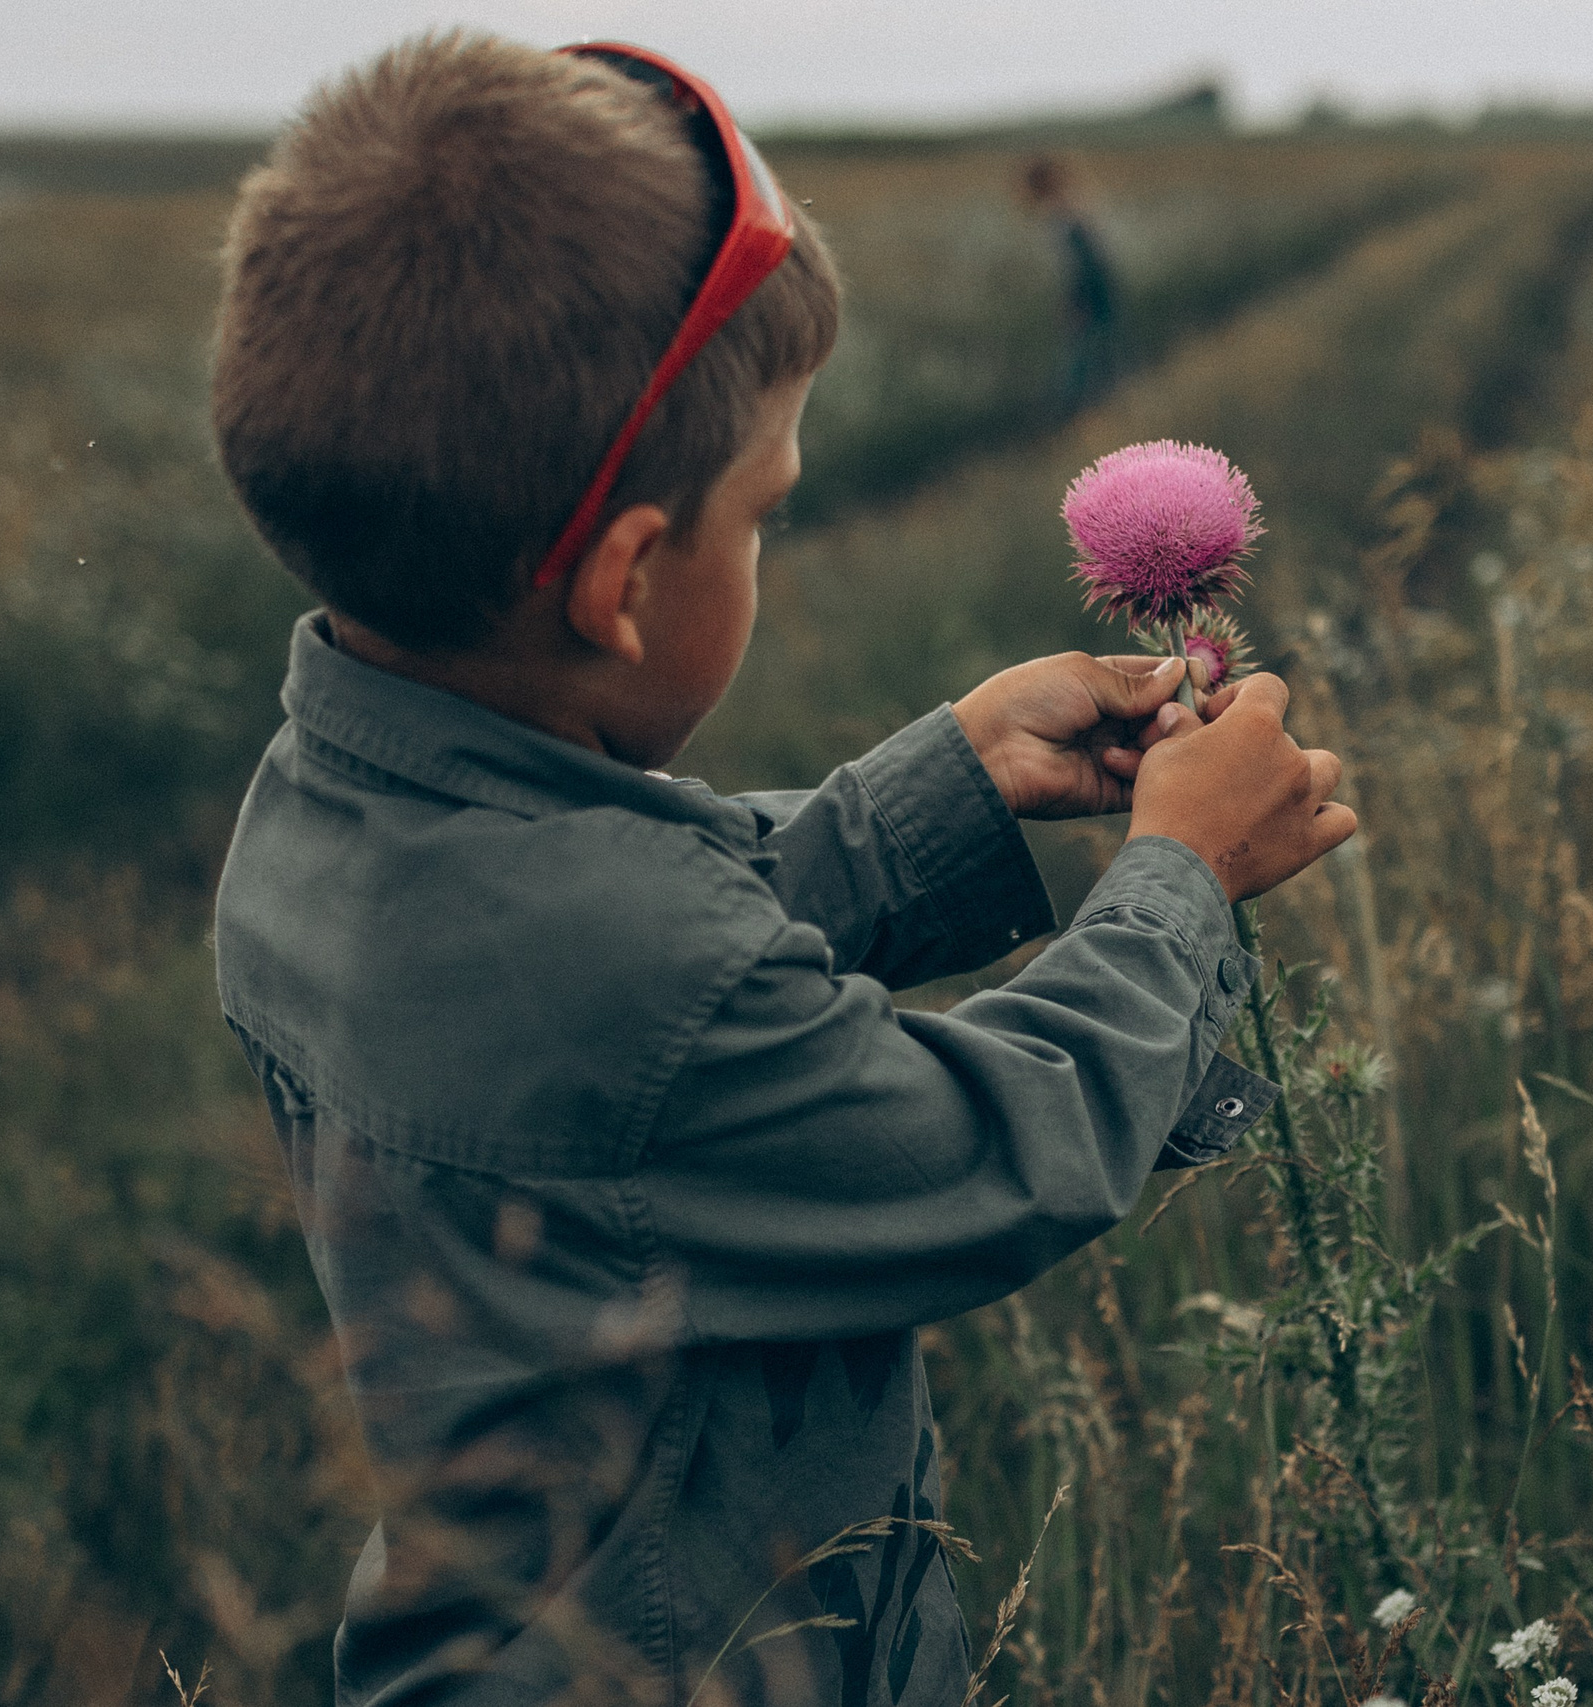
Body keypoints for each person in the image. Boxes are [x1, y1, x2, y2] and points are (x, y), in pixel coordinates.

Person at [206, 31, 1355, 1707]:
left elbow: (662, 961)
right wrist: (1181, 874)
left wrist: (952, 779)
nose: (768, 541)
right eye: (763, 511)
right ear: (624, 582)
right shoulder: (622, 962)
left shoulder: (325, 807)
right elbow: (990, 1147)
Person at [1021, 154, 1123, 414]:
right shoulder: (1073, 208)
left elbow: (1080, 263)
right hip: (1098, 287)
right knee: (1100, 348)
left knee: (1084, 352)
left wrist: (1076, 301)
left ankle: (1077, 411)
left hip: (1088, 291)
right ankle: (1100, 405)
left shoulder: (1062, 214)